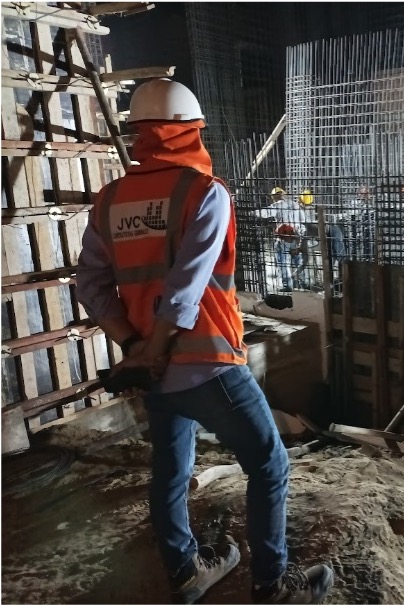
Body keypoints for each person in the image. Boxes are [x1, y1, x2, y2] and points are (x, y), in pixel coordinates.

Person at [75, 78, 333, 605]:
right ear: (191, 130)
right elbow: (187, 284)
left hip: (150, 367)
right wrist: (161, 342)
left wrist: (133, 343)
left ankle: (184, 572)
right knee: (269, 463)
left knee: (171, 467)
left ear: (141, 134)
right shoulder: (203, 192)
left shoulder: (109, 202)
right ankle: (272, 585)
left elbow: (90, 284)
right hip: (207, 361)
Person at [256, 187, 305, 292]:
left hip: (284, 239)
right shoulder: (296, 205)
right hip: (296, 238)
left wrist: (249, 212)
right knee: (298, 261)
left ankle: (288, 285)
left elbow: (265, 213)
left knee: (282, 262)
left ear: (274, 197)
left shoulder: (277, 205)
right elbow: (303, 220)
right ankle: (302, 284)